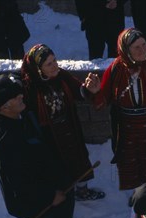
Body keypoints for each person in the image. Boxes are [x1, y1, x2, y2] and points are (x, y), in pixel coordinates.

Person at [0, 74, 74, 218]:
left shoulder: (10, 113)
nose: (21, 97)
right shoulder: (6, 139)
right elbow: (20, 181)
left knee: (63, 204)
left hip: (42, 176)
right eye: (15, 97)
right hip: (31, 198)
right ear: (4, 106)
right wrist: (50, 196)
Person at [84, 28, 146, 190]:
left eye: (144, 45)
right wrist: (95, 92)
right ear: (125, 50)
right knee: (130, 163)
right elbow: (102, 101)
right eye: (137, 47)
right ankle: (137, 197)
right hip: (126, 127)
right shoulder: (115, 69)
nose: (143, 50)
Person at [21, 44, 105, 201]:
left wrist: (89, 89)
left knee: (78, 159)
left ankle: (82, 191)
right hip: (49, 134)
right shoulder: (30, 87)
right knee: (58, 165)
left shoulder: (61, 76)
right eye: (49, 64)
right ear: (38, 68)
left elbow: (77, 91)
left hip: (69, 126)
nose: (55, 66)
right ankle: (63, 196)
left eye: (55, 60)